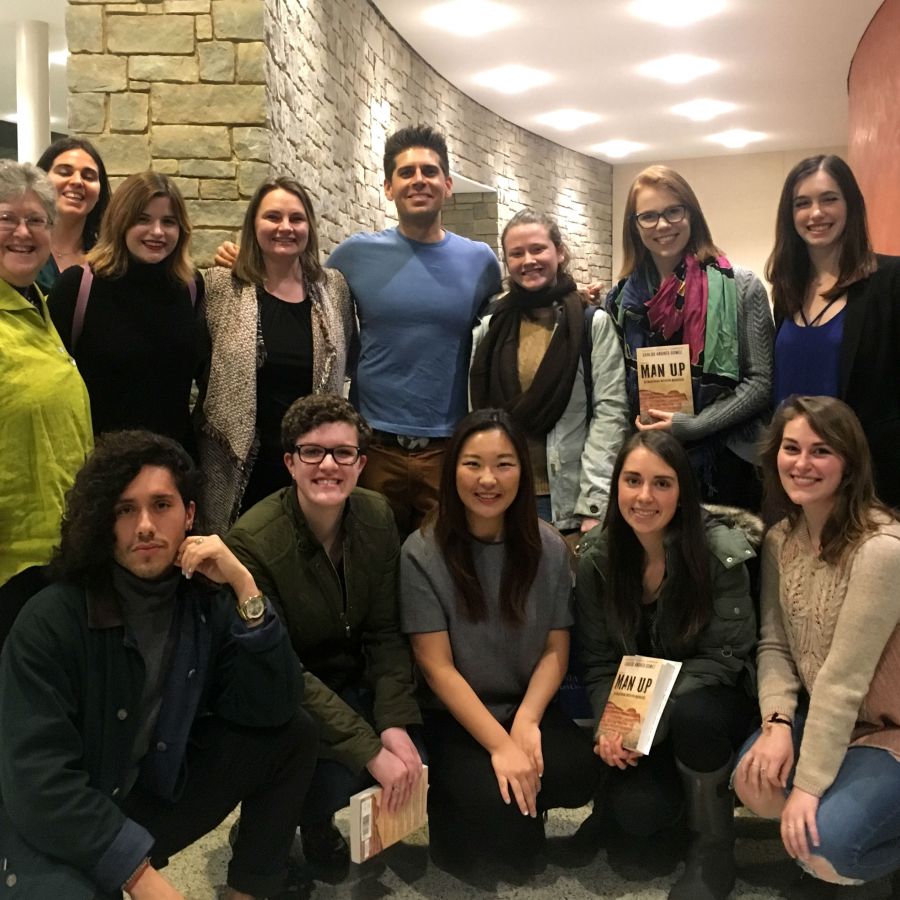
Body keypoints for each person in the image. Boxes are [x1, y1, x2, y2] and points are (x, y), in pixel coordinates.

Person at [0, 430, 319, 900]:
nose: (145, 525)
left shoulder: (203, 599)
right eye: (125, 509)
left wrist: (245, 585)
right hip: (61, 818)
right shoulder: (52, 618)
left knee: (295, 733)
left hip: (147, 791)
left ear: (189, 514)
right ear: (103, 522)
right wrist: (141, 877)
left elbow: (272, 706)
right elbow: (37, 782)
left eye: (161, 505)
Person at [226, 394, 423, 877]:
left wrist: (393, 724)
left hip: (348, 678)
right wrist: (370, 748)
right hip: (282, 695)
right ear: (290, 463)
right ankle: (275, 821)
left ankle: (315, 817)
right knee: (335, 765)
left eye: (343, 453)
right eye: (313, 452)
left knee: (413, 747)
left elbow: (385, 634)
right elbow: (283, 668)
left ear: (361, 464)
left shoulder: (378, 516)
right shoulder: (252, 542)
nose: (329, 465)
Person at [400, 409, 596, 881]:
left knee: (579, 771)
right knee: (490, 819)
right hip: (456, 716)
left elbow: (555, 648)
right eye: (473, 464)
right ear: (452, 471)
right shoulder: (421, 552)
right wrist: (500, 744)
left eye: (504, 464)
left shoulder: (548, 546)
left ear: (523, 473)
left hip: (523, 705)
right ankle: (459, 807)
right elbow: (437, 668)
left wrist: (527, 722)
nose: (488, 479)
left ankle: (519, 807)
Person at [576, 430, 758, 900]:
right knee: (638, 827)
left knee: (698, 714)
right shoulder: (597, 557)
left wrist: (647, 719)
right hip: (639, 713)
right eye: (632, 480)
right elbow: (598, 662)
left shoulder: (718, 550)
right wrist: (608, 728)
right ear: (615, 487)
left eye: (662, 483)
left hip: (709, 706)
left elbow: (725, 658)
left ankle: (713, 846)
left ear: (683, 491)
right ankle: (627, 806)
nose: (644, 496)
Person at [734, 395, 900, 887]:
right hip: (841, 723)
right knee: (753, 782)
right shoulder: (781, 539)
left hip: (889, 728)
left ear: (848, 463)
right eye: (791, 448)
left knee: (824, 846)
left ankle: (834, 844)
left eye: (821, 451)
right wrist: (778, 721)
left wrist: (808, 787)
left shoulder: (880, 550)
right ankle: (830, 828)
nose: (802, 464)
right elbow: (774, 646)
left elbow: (844, 680)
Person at [327, 125, 502, 534]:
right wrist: (242, 264)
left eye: (429, 170)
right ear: (388, 187)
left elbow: (510, 318)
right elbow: (302, 294)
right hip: (372, 445)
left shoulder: (481, 262)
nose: (419, 180)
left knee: (443, 565)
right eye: (406, 173)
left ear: (448, 185)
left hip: (449, 447)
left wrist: (573, 294)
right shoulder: (353, 255)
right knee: (372, 563)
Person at [605, 165, 774, 509]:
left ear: (691, 214)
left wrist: (694, 426)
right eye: (648, 216)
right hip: (649, 463)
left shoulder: (741, 287)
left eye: (673, 211)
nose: (663, 225)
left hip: (727, 465)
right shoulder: (621, 300)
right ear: (634, 227)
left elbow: (760, 382)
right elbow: (614, 385)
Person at [199, 176, 355, 534]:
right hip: (238, 462)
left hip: (313, 461)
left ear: (309, 228)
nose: (285, 227)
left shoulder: (334, 290)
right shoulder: (221, 285)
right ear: (254, 224)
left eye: (296, 219)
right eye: (273, 217)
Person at [470, 209, 629, 532]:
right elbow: (475, 414)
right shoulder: (490, 327)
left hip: (566, 501)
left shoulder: (590, 324)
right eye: (516, 253)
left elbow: (610, 413)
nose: (528, 260)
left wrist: (594, 503)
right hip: (501, 494)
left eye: (538, 249)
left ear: (560, 252)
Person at [767, 154, 900, 508]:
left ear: (850, 205)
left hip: (868, 485)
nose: (816, 213)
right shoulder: (787, 291)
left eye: (829, 199)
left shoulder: (889, 281)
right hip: (796, 479)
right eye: (802, 203)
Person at [0, 160, 93, 648]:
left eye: (36, 220)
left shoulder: (36, 306)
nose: (23, 232)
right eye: (6, 218)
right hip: (9, 565)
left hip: (53, 552)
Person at [47, 171, 205, 454]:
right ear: (120, 222)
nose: (157, 232)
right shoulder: (78, 287)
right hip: (100, 467)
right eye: (142, 219)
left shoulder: (190, 287)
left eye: (168, 222)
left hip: (174, 464)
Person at [34, 136, 111, 294]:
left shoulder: (108, 260)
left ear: (99, 193)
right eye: (64, 172)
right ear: (40, 181)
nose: (77, 181)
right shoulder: (17, 247)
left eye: (88, 177)